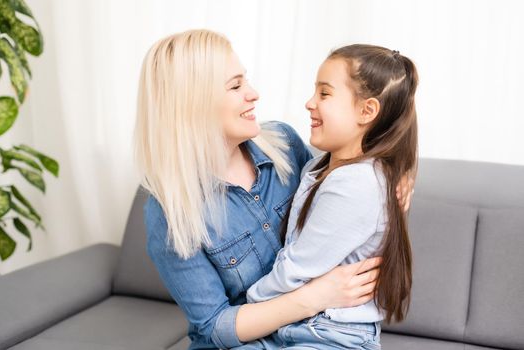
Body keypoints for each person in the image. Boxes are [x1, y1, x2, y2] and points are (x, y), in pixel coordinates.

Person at [134, 30, 412, 349]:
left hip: (316, 334)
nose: (253, 94)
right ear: (192, 103)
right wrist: (314, 296)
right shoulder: (168, 212)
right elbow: (214, 327)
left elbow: (341, 200)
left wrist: (397, 180)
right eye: (236, 86)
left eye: (246, 81)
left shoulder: (284, 145)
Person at [242, 44, 418, 349]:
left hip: (331, 336)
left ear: (367, 111)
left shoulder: (357, 183)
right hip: (295, 326)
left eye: (324, 93)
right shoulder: (319, 165)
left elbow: (297, 268)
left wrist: (245, 310)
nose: (310, 103)